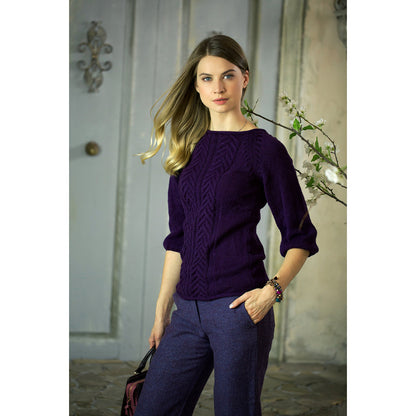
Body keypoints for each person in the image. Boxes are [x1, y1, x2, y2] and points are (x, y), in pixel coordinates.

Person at [134, 34, 318, 416]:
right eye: (207, 78)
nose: (217, 87)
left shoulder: (265, 150)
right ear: (196, 85)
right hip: (187, 312)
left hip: (238, 311)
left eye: (227, 76)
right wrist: (162, 307)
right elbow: (178, 238)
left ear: (244, 79)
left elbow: (300, 236)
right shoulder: (187, 147)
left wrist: (271, 293)